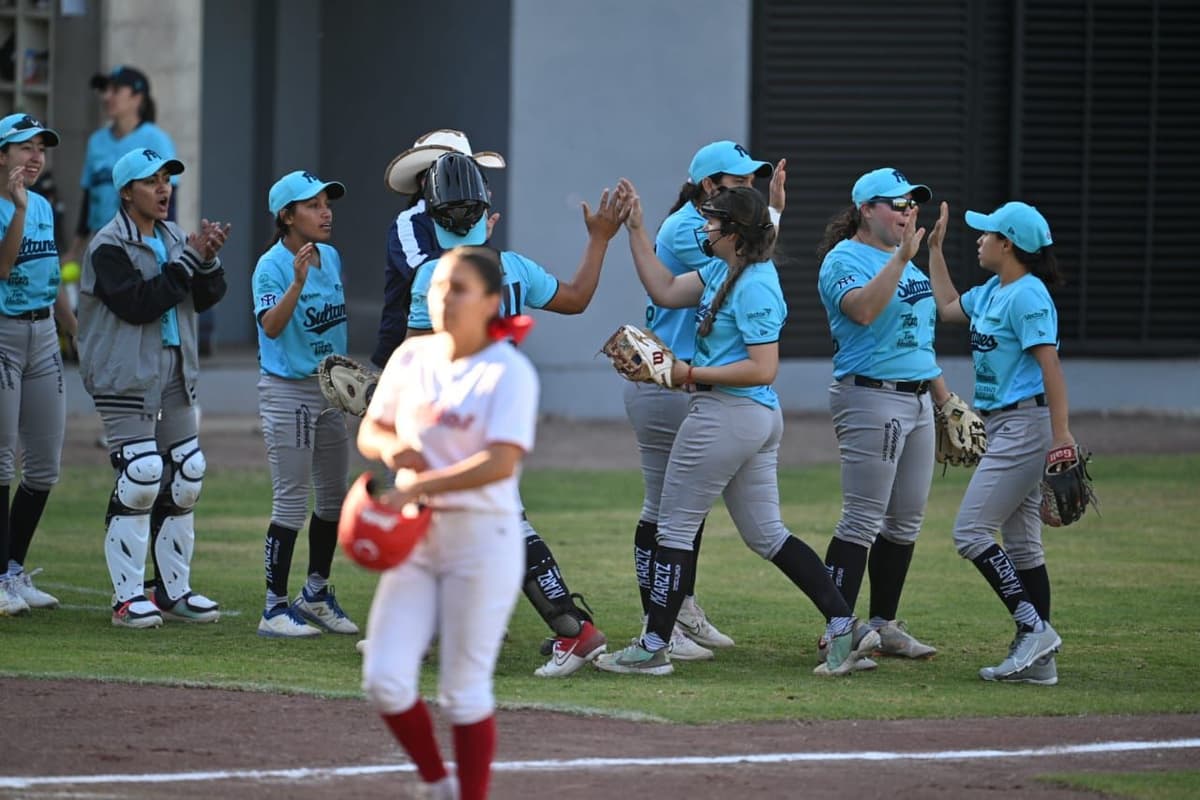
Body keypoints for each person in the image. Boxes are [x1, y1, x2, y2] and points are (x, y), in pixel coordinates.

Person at [596, 183, 878, 677]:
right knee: (767, 534)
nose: (705, 227)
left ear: (735, 232)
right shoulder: (723, 268)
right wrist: (636, 229)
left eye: (713, 221)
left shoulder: (755, 284)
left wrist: (687, 372)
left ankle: (653, 646)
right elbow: (662, 289)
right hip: (746, 417)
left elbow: (763, 367)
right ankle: (844, 626)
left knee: (673, 529)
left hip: (729, 414)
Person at [402, 152, 625, 677]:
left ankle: (574, 631)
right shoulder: (514, 267)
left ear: (432, 216)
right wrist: (599, 241)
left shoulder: (431, 276)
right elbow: (575, 300)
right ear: (486, 211)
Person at [358, 245, 539, 800]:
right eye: (438, 286)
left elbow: (501, 461)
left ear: (490, 300)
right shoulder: (412, 359)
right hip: (418, 538)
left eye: (459, 287)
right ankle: (438, 784)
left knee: (463, 691)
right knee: (385, 680)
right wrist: (396, 453)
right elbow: (372, 430)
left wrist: (423, 482)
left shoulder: (508, 371)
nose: (444, 297)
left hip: (484, 542)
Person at [622, 140, 787, 658]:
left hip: (697, 379)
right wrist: (775, 212)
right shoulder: (694, 228)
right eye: (739, 182)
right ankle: (661, 623)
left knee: (682, 513)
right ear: (709, 185)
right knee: (666, 512)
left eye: (752, 181)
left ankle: (677, 609)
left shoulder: (718, 224)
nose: (750, 189)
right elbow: (751, 249)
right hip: (675, 383)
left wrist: (773, 210)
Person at [76, 147, 229, 628]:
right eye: (151, 181)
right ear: (126, 192)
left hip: (175, 373)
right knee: (142, 474)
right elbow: (141, 303)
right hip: (125, 377)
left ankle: (172, 592)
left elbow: (204, 298)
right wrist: (188, 258)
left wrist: (206, 260)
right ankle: (126, 601)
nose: (163, 188)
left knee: (187, 474)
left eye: (166, 179)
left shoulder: (171, 238)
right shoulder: (106, 247)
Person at [813, 167, 959, 666]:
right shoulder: (844, 259)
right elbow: (863, 311)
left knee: (905, 521)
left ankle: (882, 624)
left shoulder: (911, 262)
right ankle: (837, 633)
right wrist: (900, 258)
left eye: (910, 204)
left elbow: (920, 342)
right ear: (865, 210)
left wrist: (945, 399)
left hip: (916, 399)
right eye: (895, 204)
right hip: (870, 397)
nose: (905, 213)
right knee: (861, 519)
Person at [927, 200, 1066, 685]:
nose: (980, 239)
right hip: (1002, 426)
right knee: (1024, 545)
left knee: (970, 533)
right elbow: (946, 308)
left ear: (1009, 245)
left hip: (1027, 427)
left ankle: (1033, 628)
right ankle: (1040, 660)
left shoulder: (1028, 296)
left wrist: (1061, 438)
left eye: (988, 234)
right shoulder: (992, 291)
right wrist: (935, 252)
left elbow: (1050, 368)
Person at [252, 170, 358, 639]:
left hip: (329, 390)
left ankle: (314, 593)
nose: (326, 212)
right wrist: (296, 283)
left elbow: (330, 326)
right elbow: (272, 327)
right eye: (313, 205)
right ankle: (274, 608)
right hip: (287, 390)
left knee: (334, 498)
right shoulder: (270, 266)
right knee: (291, 502)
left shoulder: (331, 257)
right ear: (286, 215)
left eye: (326, 203)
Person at [0, 113, 75, 615]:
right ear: (1, 155)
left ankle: (13, 570)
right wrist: (20, 210)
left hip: (44, 331)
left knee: (44, 465)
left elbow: (50, 276)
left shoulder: (45, 204)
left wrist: (76, 334)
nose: (34, 157)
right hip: (4, 333)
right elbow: (4, 268)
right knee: (3, 460)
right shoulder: (23, 206)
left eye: (40, 149)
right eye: (24, 147)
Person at [373, 128, 505, 368]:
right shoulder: (410, 221)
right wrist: (477, 248)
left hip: (459, 351)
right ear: (427, 181)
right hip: (406, 353)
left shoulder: (474, 220)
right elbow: (424, 273)